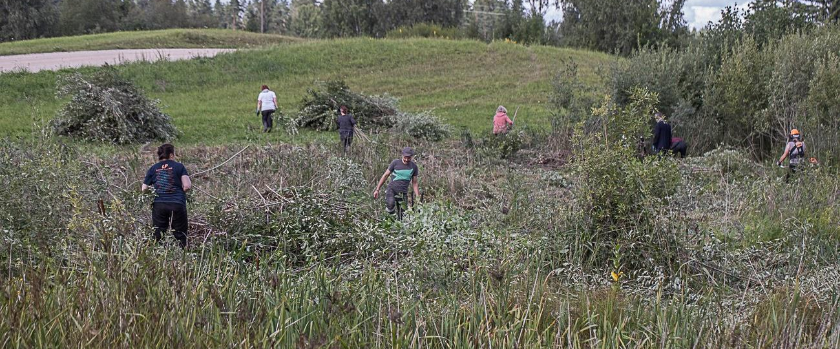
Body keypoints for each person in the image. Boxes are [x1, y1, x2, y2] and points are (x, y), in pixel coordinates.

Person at [142, 144, 191, 248]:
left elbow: (144, 189)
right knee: (180, 234)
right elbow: (187, 186)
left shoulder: (153, 168)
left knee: (158, 234)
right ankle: (181, 255)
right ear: (171, 155)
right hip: (177, 204)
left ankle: (158, 256)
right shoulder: (179, 166)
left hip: (159, 205)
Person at [373, 147, 420, 215]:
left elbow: (414, 183)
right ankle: (390, 219)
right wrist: (377, 189)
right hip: (392, 190)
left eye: (409, 158)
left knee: (402, 214)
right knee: (390, 205)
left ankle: (399, 222)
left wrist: (417, 197)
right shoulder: (395, 163)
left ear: (412, 157)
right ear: (402, 155)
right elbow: (385, 175)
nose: (406, 159)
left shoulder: (414, 167)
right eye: (405, 157)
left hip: (403, 193)